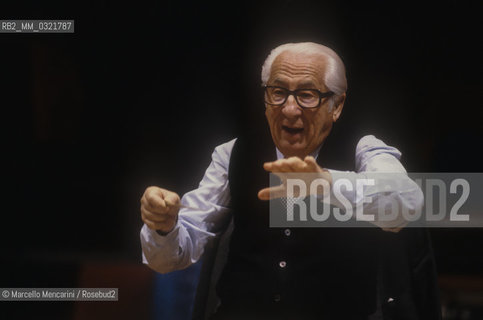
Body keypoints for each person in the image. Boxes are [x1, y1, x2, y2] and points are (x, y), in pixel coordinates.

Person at [140, 42, 441, 319]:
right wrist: (164, 226)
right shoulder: (233, 154)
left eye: (307, 95)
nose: (290, 108)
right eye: (278, 92)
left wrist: (326, 183)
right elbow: (171, 257)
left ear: (336, 105)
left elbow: (408, 203)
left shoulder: (364, 148)